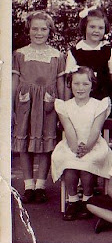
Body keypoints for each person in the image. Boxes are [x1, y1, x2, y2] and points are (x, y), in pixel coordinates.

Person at [13, 11, 65, 204]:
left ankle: (41, 185)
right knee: (24, 143)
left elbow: (60, 84)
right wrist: (10, 106)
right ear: (28, 30)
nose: (39, 32)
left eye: (43, 29)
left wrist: (60, 106)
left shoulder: (57, 56)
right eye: (34, 28)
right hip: (25, 102)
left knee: (45, 143)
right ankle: (28, 185)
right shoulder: (20, 54)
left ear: (49, 30)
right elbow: (14, 81)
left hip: (47, 103)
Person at [52, 66, 112, 220]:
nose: (80, 88)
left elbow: (95, 129)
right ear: (70, 84)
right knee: (69, 164)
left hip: (93, 145)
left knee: (87, 166)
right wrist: (75, 149)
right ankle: (73, 200)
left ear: (92, 85)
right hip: (71, 145)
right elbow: (68, 128)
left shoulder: (99, 105)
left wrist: (87, 148)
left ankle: (88, 198)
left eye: (85, 84)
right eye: (76, 84)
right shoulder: (64, 106)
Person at [65, 8, 112, 118]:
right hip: (81, 99)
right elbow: (68, 82)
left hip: (103, 98)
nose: (96, 31)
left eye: (101, 28)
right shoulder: (75, 52)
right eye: (92, 27)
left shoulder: (108, 51)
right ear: (84, 27)